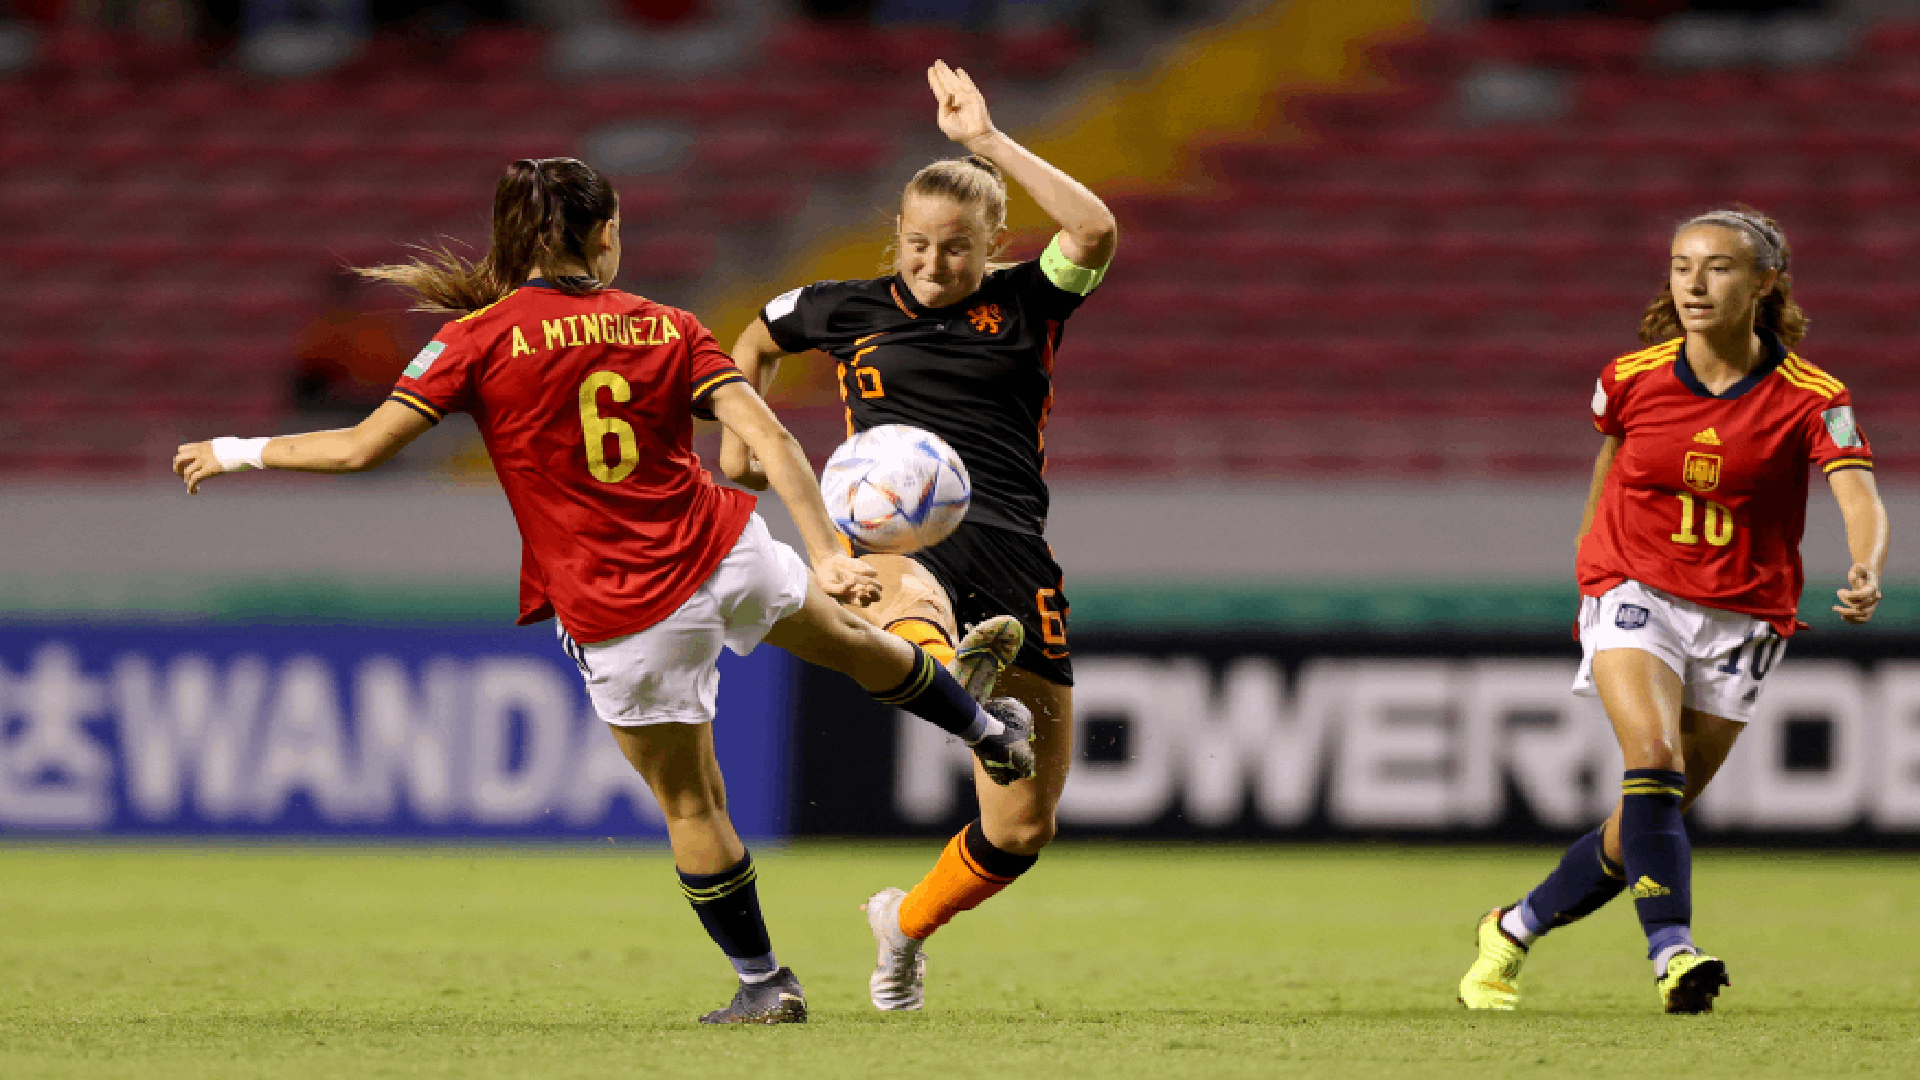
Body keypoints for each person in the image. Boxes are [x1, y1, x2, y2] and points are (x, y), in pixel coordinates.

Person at [171, 156, 1037, 1026]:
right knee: (853, 646)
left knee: (693, 801)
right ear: (606, 234)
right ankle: (986, 726)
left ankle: (767, 984)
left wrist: (241, 450)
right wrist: (826, 553)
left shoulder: (476, 340)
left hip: (624, 607)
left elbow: (360, 449)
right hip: (725, 546)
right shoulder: (665, 326)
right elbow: (767, 435)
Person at [721, 60, 1117, 1011]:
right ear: (893, 239)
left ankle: (901, 927)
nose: (934, 266)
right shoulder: (841, 308)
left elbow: (1094, 229)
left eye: (956, 250)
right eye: (915, 247)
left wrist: (984, 141)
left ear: (993, 245)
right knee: (905, 592)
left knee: (1022, 830)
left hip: (1013, 548)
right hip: (888, 540)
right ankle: (960, 682)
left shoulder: (1031, 302)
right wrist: (741, 438)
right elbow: (753, 339)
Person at [1457, 209, 1889, 1014]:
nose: (1694, 282)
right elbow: (1613, 459)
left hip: (1746, 614)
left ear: (1764, 285)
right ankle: (1674, 953)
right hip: (1635, 588)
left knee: (1644, 821)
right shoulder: (1631, 375)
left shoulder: (1813, 397)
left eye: (1719, 267)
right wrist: (1592, 562)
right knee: (1651, 759)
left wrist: (1866, 566)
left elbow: (1857, 493)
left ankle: (1511, 929)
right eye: (1682, 265)